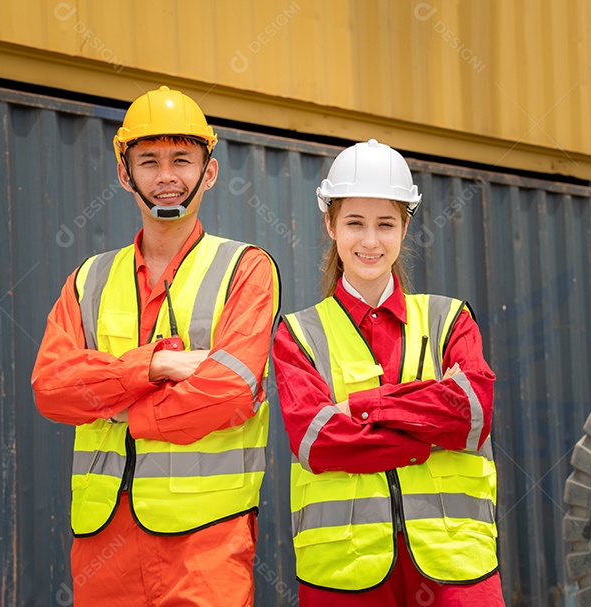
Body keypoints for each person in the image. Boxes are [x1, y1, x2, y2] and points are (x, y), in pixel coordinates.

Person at [32, 86, 280, 607]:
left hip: (206, 544)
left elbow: (231, 391)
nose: (166, 176)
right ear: (125, 174)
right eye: (149, 161)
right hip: (103, 543)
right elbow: (52, 389)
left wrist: (116, 410)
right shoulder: (88, 280)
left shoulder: (246, 269)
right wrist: (154, 365)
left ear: (208, 173)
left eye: (181, 160)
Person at [272, 139, 504, 606]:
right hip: (345, 574)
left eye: (386, 224)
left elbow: (473, 413)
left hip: (456, 569)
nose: (371, 241)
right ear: (330, 225)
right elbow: (317, 440)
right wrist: (427, 436)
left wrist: (363, 405)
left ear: (405, 227)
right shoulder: (298, 334)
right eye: (355, 223)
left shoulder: (448, 318)